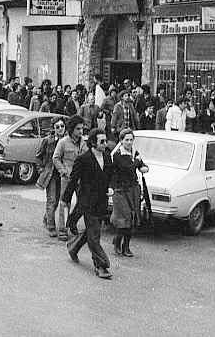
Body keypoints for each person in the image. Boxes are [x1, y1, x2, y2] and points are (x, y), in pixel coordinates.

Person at [63, 128, 113, 279]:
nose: (105, 144)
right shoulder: (83, 159)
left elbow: (110, 175)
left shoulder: (107, 156)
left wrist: (110, 187)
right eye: (102, 141)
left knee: (91, 232)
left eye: (105, 141)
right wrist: (66, 199)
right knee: (95, 234)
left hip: (101, 202)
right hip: (88, 203)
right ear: (93, 143)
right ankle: (101, 265)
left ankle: (73, 248)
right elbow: (73, 181)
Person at [110, 128, 149, 257]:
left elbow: (143, 166)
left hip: (133, 189)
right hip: (120, 190)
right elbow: (128, 168)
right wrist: (137, 162)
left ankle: (126, 246)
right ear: (121, 141)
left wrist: (143, 166)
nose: (129, 142)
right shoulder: (117, 155)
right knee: (124, 219)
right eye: (126, 140)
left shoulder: (134, 152)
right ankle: (117, 243)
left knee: (133, 218)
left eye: (131, 140)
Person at [52, 115, 88, 242]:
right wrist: (63, 171)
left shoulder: (84, 143)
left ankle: (72, 223)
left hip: (81, 178)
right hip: (67, 178)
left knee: (82, 203)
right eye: (78, 129)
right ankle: (62, 230)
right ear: (72, 129)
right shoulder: (63, 142)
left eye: (82, 129)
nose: (81, 131)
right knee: (64, 203)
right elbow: (55, 158)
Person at [37, 117, 65, 237]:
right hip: (50, 174)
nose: (60, 129)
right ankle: (51, 226)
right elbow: (38, 155)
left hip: (62, 174)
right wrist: (41, 169)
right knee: (52, 200)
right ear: (53, 128)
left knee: (58, 200)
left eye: (62, 126)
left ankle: (46, 217)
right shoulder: (47, 141)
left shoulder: (66, 141)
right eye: (57, 126)